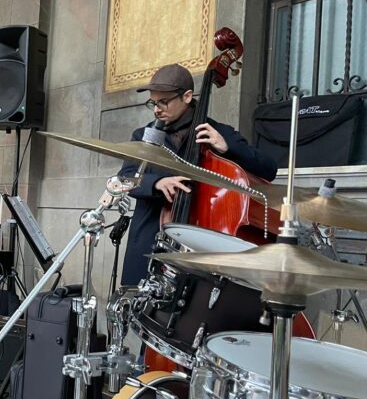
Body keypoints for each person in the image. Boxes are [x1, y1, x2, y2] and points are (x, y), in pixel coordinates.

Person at [119, 63, 278, 286]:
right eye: (153, 103)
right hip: (149, 240)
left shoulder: (217, 132)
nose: (156, 109)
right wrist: (157, 183)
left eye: (163, 102)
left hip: (200, 248)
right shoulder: (144, 135)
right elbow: (125, 178)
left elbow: (268, 169)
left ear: (186, 96)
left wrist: (228, 148)